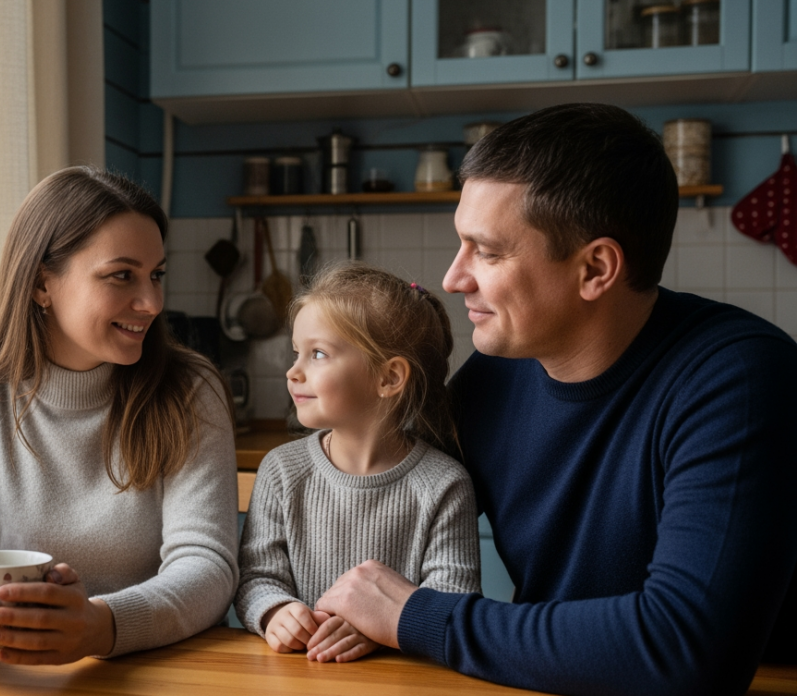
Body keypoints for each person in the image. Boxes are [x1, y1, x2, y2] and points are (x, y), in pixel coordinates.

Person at [314, 103, 797, 695]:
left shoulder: (740, 379)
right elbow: (388, 512)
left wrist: (413, 617)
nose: (453, 278)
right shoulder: (495, 372)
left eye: (487, 252)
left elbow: (685, 649)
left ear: (596, 268)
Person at [0, 166, 239, 664]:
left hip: (161, 666)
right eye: (121, 275)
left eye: (156, 275)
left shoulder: (189, 390)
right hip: (12, 669)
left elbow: (209, 565)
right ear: (44, 283)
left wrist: (103, 627)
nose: (152, 302)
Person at [236, 264, 480, 663]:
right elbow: (257, 578)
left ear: (389, 378)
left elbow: (453, 598)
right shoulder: (281, 470)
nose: (293, 371)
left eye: (317, 354)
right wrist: (275, 611)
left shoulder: (445, 484)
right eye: (296, 352)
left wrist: (384, 627)